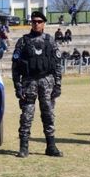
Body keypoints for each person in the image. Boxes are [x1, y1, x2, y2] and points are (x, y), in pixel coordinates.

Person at [12, 11, 63, 158]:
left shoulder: (50, 40)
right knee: (27, 115)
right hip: (29, 82)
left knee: (48, 114)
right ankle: (23, 147)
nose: (36, 24)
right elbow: (15, 66)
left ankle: (51, 146)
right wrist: (17, 86)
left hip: (47, 81)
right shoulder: (23, 41)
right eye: (34, 21)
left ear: (44, 23)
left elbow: (57, 64)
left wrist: (58, 85)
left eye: (39, 21)